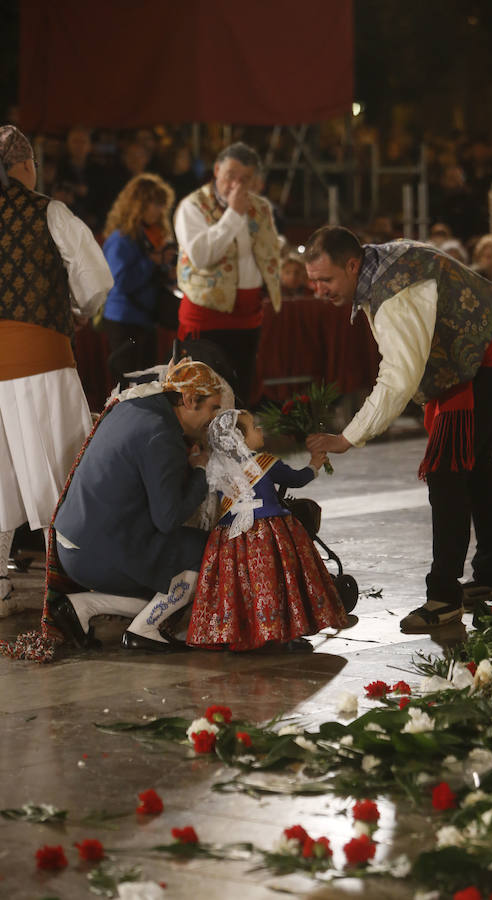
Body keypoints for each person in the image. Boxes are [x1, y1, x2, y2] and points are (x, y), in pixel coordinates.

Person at [304, 226, 492, 633]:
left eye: (326, 280)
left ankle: (443, 597)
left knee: (447, 473)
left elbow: (398, 378)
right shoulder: (377, 267)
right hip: (477, 356)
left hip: (481, 363)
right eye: (312, 281)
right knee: (475, 466)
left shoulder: (395, 292)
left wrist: (348, 436)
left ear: (352, 266)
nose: (319, 290)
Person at [0, 125, 113, 617]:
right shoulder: (49, 211)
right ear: (24, 167)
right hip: (40, 358)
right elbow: (94, 283)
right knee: (61, 471)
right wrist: (76, 306)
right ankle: (60, 582)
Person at [48, 360, 223, 653]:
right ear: (190, 400)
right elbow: (168, 520)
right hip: (95, 554)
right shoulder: (162, 435)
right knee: (209, 550)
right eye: (213, 408)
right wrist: (201, 472)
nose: (214, 418)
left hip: (75, 543)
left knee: (165, 579)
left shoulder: (136, 404)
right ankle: (145, 628)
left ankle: (80, 606)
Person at [186, 408, 348, 651]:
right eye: (254, 427)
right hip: (268, 535)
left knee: (240, 586)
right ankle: (286, 634)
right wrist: (314, 464)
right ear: (238, 439)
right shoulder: (264, 462)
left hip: (231, 539)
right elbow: (297, 479)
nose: (260, 430)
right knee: (278, 583)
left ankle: (240, 632)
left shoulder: (218, 472)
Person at [174, 142, 281, 405]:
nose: (236, 184)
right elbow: (201, 256)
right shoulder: (193, 206)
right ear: (217, 170)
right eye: (230, 176)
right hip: (207, 314)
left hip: (248, 315)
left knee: (241, 391)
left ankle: (238, 443)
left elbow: (268, 251)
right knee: (204, 396)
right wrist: (233, 214)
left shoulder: (261, 207)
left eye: (245, 179)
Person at [101, 173, 176, 384]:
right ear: (139, 204)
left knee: (146, 382)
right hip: (124, 321)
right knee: (129, 384)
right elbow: (121, 283)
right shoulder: (120, 238)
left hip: (144, 320)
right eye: (156, 203)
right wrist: (152, 260)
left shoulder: (150, 234)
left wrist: (166, 269)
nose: (160, 210)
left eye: (163, 204)